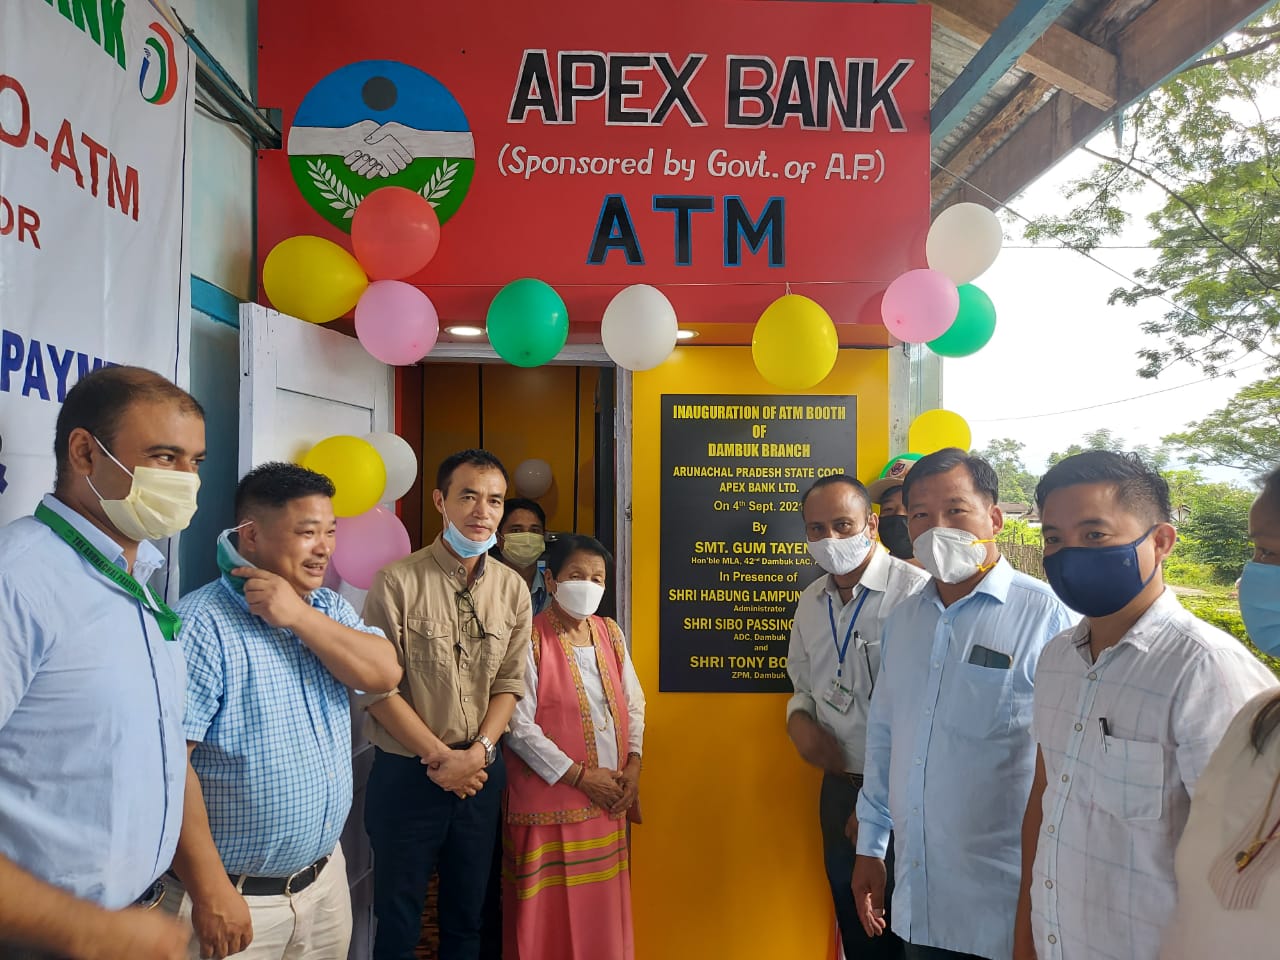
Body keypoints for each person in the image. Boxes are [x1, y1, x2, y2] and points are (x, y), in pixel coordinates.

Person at [1011, 451, 1275, 960]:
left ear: (1160, 541)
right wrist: (1025, 937)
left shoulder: (1206, 671)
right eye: (1053, 539)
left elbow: (1247, 867)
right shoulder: (1056, 659)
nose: (1069, 554)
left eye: (1094, 535)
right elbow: (1046, 799)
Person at [0, 366, 206, 960]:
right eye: (165, 457)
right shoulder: (19, 582)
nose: (187, 480)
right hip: (46, 939)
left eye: (195, 460)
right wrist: (86, 931)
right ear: (86, 453)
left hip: (138, 919)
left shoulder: (137, 580)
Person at [160, 462, 403, 960]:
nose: (325, 548)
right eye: (307, 532)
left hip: (322, 882)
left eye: (330, 532)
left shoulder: (326, 609)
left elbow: (384, 673)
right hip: (234, 898)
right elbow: (167, 765)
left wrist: (295, 615)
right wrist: (211, 891)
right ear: (250, 536)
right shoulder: (200, 625)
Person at [852, 448, 1074, 960]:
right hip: (921, 896)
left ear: (993, 518)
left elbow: (1067, 757)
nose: (936, 529)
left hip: (1012, 906)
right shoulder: (906, 620)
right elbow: (886, 736)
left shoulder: (1046, 616)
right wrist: (871, 843)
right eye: (920, 516)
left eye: (956, 510)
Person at [359, 449, 533, 960]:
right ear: (440, 501)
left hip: (479, 775)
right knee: (398, 921)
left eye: (494, 500)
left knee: (468, 918)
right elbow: (377, 691)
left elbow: (509, 683)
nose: (482, 511)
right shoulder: (396, 582)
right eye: (469, 496)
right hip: (407, 774)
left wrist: (476, 753)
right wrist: (441, 758)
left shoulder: (512, 589)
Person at [786, 476, 928, 958]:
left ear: (871, 524)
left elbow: (928, 708)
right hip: (838, 785)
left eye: (842, 525)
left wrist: (875, 808)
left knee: (906, 931)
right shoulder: (811, 602)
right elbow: (803, 684)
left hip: (902, 791)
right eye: (816, 529)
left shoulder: (918, 595)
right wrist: (799, 721)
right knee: (856, 926)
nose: (830, 540)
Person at [502, 534, 644, 959]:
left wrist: (633, 765)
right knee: (545, 919)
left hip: (608, 801)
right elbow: (517, 723)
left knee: (600, 918)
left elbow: (634, 704)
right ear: (552, 578)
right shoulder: (528, 636)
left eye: (597, 577)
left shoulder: (610, 633)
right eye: (576, 575)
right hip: (550, 803)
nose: (588, 585)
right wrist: (581, 777)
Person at [1159, 465, 1280, 958]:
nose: (1253, 573)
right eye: (1259, 551)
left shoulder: (1214, 665)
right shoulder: (1259, 719)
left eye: (1271, 552)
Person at [495, 497, 551, 615]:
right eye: (516, 530)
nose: (527, 539)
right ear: (498, 538)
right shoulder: (483, 590)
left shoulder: (555, 592)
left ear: (543, 537)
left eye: (534, 531)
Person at [868, 457, 915, 562]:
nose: (898, 515)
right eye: (888, 509)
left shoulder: (947, 576)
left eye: (909, 508)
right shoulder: (869, 574)